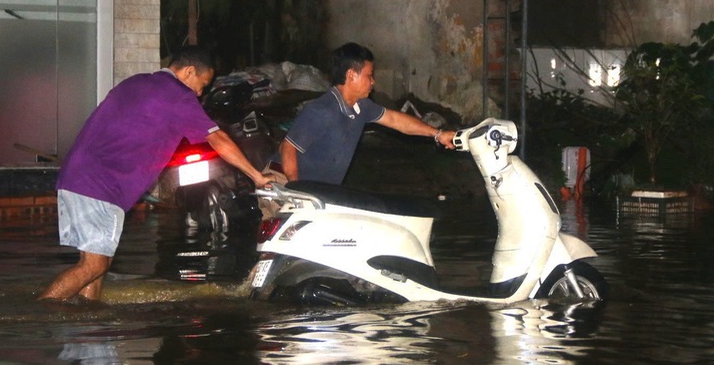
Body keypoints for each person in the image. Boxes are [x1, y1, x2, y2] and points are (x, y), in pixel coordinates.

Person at [38, 46, 273, 302]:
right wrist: (256, 176)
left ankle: (87, 324)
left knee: (97, 264)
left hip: (77, 176)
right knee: (94, 266)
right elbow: (217, 138)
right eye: (202, 84)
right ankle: (41, 313)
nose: (200, 92)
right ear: (189, 71)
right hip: (100, 185)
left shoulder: (135, 82)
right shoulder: (177, 96)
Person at [275, 41, 456, 184]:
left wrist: (437, 134)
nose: (373, 82)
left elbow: (395, 119)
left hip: (316, 194)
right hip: (283, 183)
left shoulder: (362, 106)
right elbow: (288, 147)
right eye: (369, 75)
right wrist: (295, 190)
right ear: (351, 75)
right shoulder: (322, 110)